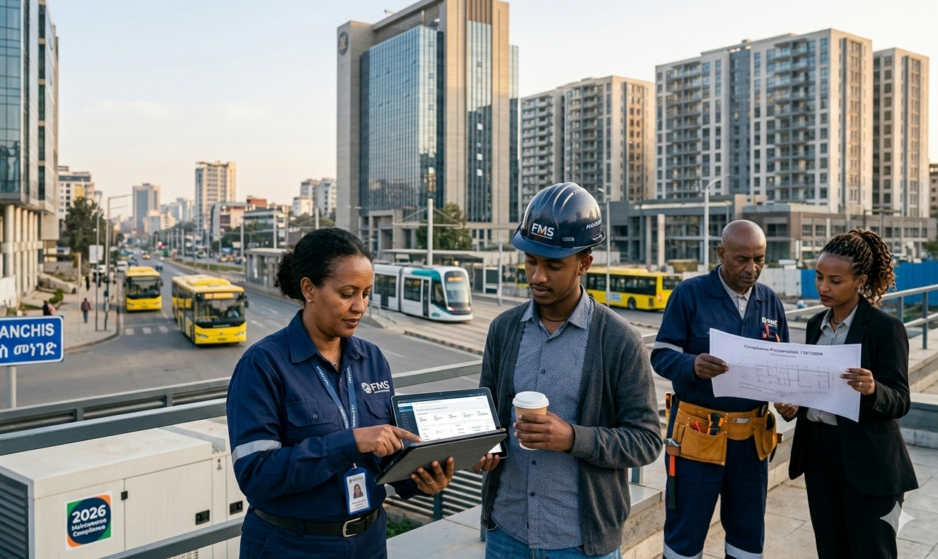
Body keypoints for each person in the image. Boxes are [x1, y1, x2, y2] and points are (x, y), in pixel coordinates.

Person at [227, 228, 455, 559]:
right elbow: (255, 474)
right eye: (347, 293)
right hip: (292, 546)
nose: (360, 306)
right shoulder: (263, 365)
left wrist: (421, 478)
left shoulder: (372, 359)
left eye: (366, 293)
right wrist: (349, 443)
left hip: (369, 542)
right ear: (309, 289)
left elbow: (386, 451)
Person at [475, 183, 662, 559]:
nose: (537, 277)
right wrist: (482, 448)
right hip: (506, 533)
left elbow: (646, 440)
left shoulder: (618, 340)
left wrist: (573, 437)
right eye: (530, 261)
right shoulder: (504, 330)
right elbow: (486, 418)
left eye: (553, 265)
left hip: (580, 543)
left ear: (584, 263)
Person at [775, 229, 917, 559]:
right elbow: (817, 389)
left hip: (869, 462)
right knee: (830, 549)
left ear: (860, 281)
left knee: (872, 551)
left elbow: (900, 399)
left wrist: (873, 389)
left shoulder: (886, 329)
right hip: (819, 456)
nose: (823, 287)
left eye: (835, 280)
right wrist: (795, 405)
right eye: (819, 277)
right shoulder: (815, 325)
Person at [651, 220, 789, 559]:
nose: (751, 268)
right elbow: (661, 355)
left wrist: (788, 399)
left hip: (751, 442)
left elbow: (782, 365)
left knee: (748, 537)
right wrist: (692, 365)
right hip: (698, 438)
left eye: (759, 259)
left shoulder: (770, 301)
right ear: (721, 254)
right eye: (742, 259)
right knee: (685, 535)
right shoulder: (689, 294)